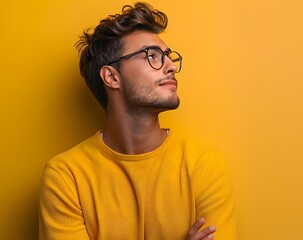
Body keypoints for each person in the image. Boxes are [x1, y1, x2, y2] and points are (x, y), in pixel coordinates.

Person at [38, 2, 237, 240]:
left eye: (168, 57)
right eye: (151, 56)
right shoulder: (65, 178)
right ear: (112, 77)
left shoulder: (203, 166)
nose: (171, 67)